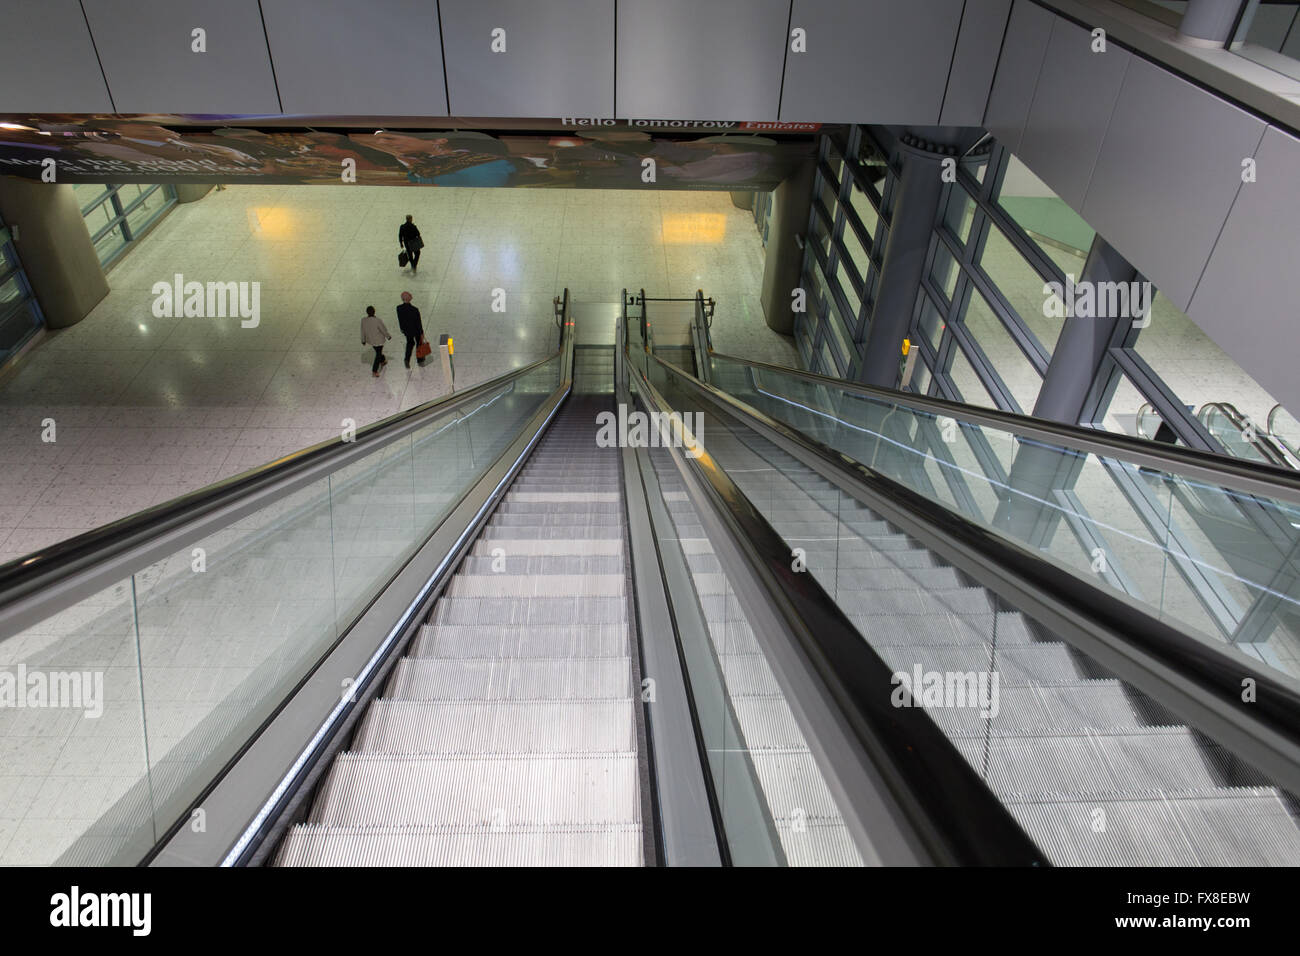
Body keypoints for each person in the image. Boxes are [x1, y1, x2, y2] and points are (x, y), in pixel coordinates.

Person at [395, 292, 424, 369]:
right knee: (419, 343)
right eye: (410, 295)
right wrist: (421, 332)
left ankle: (407, 359)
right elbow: (418, 322)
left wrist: (402, 328)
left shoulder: (398, 308)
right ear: (408, 298)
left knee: (410, 343)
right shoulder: (414, 310)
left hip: (407, 330)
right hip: (416, 330)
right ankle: (420, 359)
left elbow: (400, 319)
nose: (412, 295)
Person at [361, 305, 391, 377]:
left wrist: (363, 340)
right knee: (378, 354)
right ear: (374, 312)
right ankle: (374, 371)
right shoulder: (377, 320)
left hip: (371, 340)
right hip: (379, 341)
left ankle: (383, 360)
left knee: (378, 352)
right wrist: (388, 336)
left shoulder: (363, 320)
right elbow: (383, 329)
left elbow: (362, 330)